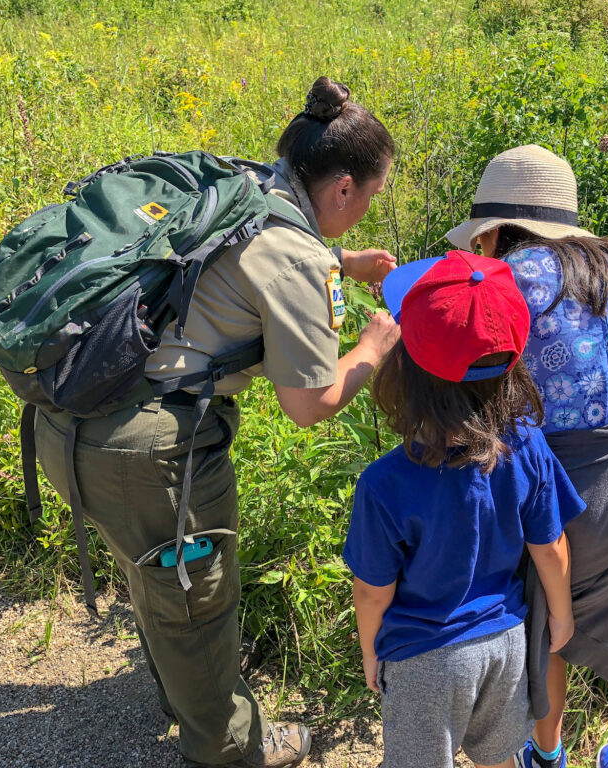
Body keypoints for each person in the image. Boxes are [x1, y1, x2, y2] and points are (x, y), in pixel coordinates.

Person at [34, 77, 401, 768]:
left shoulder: (244, 179)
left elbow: (229, 253)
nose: (369, 208)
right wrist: (372, 350)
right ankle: (232, 749)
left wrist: (342, 263)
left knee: (159, 584)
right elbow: (309, 405)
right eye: (373, 195)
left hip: (69, 419)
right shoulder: (296, 257)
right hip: (144, 457)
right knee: (197, 608)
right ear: (344, 188)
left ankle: (183, 696)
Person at [446, 145, 608, 768]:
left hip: (559, 487)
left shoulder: (507, 279)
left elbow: (476, 389)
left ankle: (546, 753)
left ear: (498, 230)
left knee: (542, 626)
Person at [343, 251, 587, 768]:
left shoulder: (384, 483)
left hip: (421, 658)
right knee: (500, 759)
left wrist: (371, 651)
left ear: (405, 370)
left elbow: (371, 591)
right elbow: (550, 547)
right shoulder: (527, 446)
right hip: (505, 643)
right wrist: (560, 621)